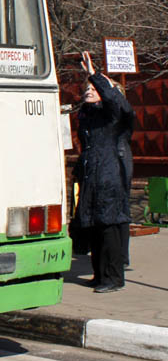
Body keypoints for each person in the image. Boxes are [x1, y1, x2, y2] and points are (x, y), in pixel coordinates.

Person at [73, 51, 135, 293]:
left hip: (110, 178)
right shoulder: (90, 117)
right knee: (95, 227)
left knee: (108, 226)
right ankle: (100, 275)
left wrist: (95, 75)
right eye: (86, 88)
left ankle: (113, 277)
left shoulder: (114, 115)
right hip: (93, 178)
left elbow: (115, 101)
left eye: (93, 88)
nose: (88, 91)